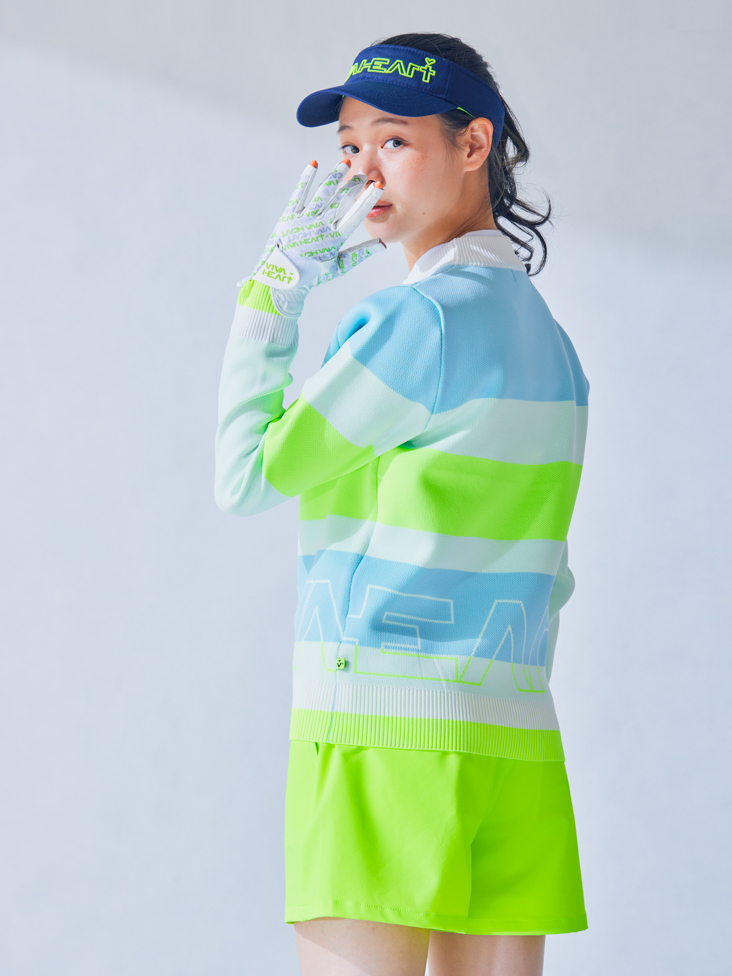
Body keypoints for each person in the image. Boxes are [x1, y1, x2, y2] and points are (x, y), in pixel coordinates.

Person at [215, 31, 589, 976]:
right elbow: (551, 571)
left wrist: (271, 297)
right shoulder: (553, 346)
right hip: (511, 742)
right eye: (349, 146)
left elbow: (246, 476)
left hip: (379, 736)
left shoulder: (412, 322)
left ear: (474, 144)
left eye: (393, 139)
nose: (362, 170)